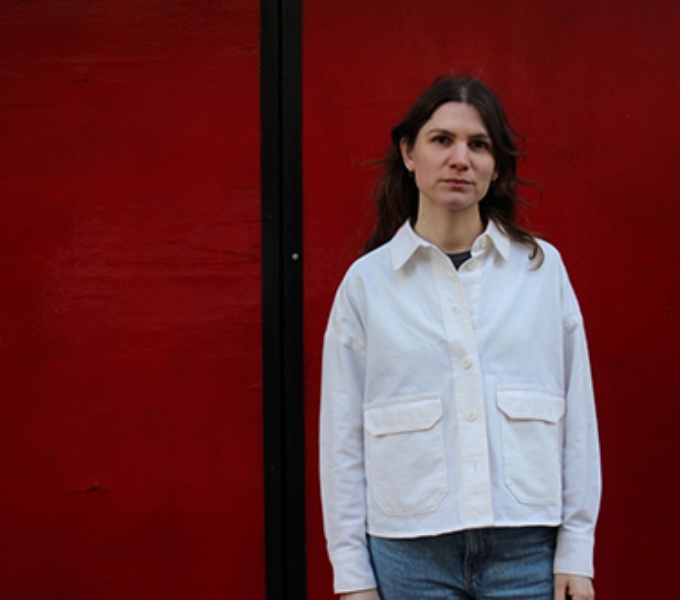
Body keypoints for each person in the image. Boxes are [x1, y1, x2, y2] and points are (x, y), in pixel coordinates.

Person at [319, 75, 601, 600]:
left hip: (527, 553)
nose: (460, 159)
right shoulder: (367, 285)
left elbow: (576, 413)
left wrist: (576, 549)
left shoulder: (541, 271)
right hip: (407, 555)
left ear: (496, 167)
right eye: (441, 140)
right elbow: (342, 440)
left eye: (479, 145)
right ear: (408, 153)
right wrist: (351, 575)